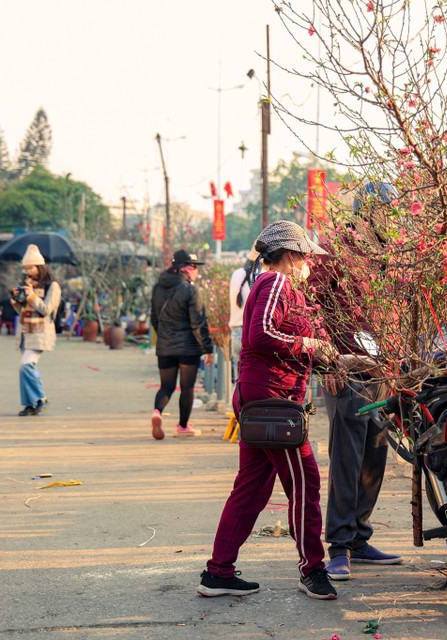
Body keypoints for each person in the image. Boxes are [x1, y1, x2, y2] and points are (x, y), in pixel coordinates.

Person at [199, 220, 342, 601]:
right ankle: (312, 570)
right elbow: (261, 335)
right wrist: (311, 344)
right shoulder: (276, 282)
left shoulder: (277, 286)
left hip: (262, 398)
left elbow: (282, 338)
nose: (310, 262)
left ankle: (218, 572)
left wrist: (328, 355)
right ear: (292, 255)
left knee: (250, 490)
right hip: (272, 401)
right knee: (305, 482)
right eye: (306, 255)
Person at [310, 183, 402, 582]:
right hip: (346, 372)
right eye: (387, 212)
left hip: (383, 371)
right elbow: (312, 310)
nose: (394, 220)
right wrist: (327, 360)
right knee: (346, 459)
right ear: (368, 213)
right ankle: (340, 546)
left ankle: (360, 536)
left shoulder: (393, 256)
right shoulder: (334, 253)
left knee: (374, 458)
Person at [149, 249, 215, 439]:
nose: (196, 271)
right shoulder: (190, 289)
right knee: (187, 387)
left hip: (165, 347)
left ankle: (157, 412)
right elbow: (198, 322)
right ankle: (183, 426)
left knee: (166, 386)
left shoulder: (157, 287)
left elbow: (154, 319)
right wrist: (207, 349)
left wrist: (163, 336)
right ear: (185, 269)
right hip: (188, 348)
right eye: (194, 267)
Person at [11, 244, 61, 417]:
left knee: (26, 365)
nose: (28, 271)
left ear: (40, 266)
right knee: (23, 367)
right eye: (26, 268)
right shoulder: (28, 285)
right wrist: (16, 301)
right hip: (26, 332)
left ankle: (41, 398)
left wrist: (31, 296)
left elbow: (46, 309)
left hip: (41, 332)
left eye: (31, 267)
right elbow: (23, 311)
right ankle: (30, 404)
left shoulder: (52, 286)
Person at [227, 246, 258, 376]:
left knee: (240, 381)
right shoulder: (261, 276)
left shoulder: (237, 274)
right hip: (252, 334)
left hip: (236, 334)